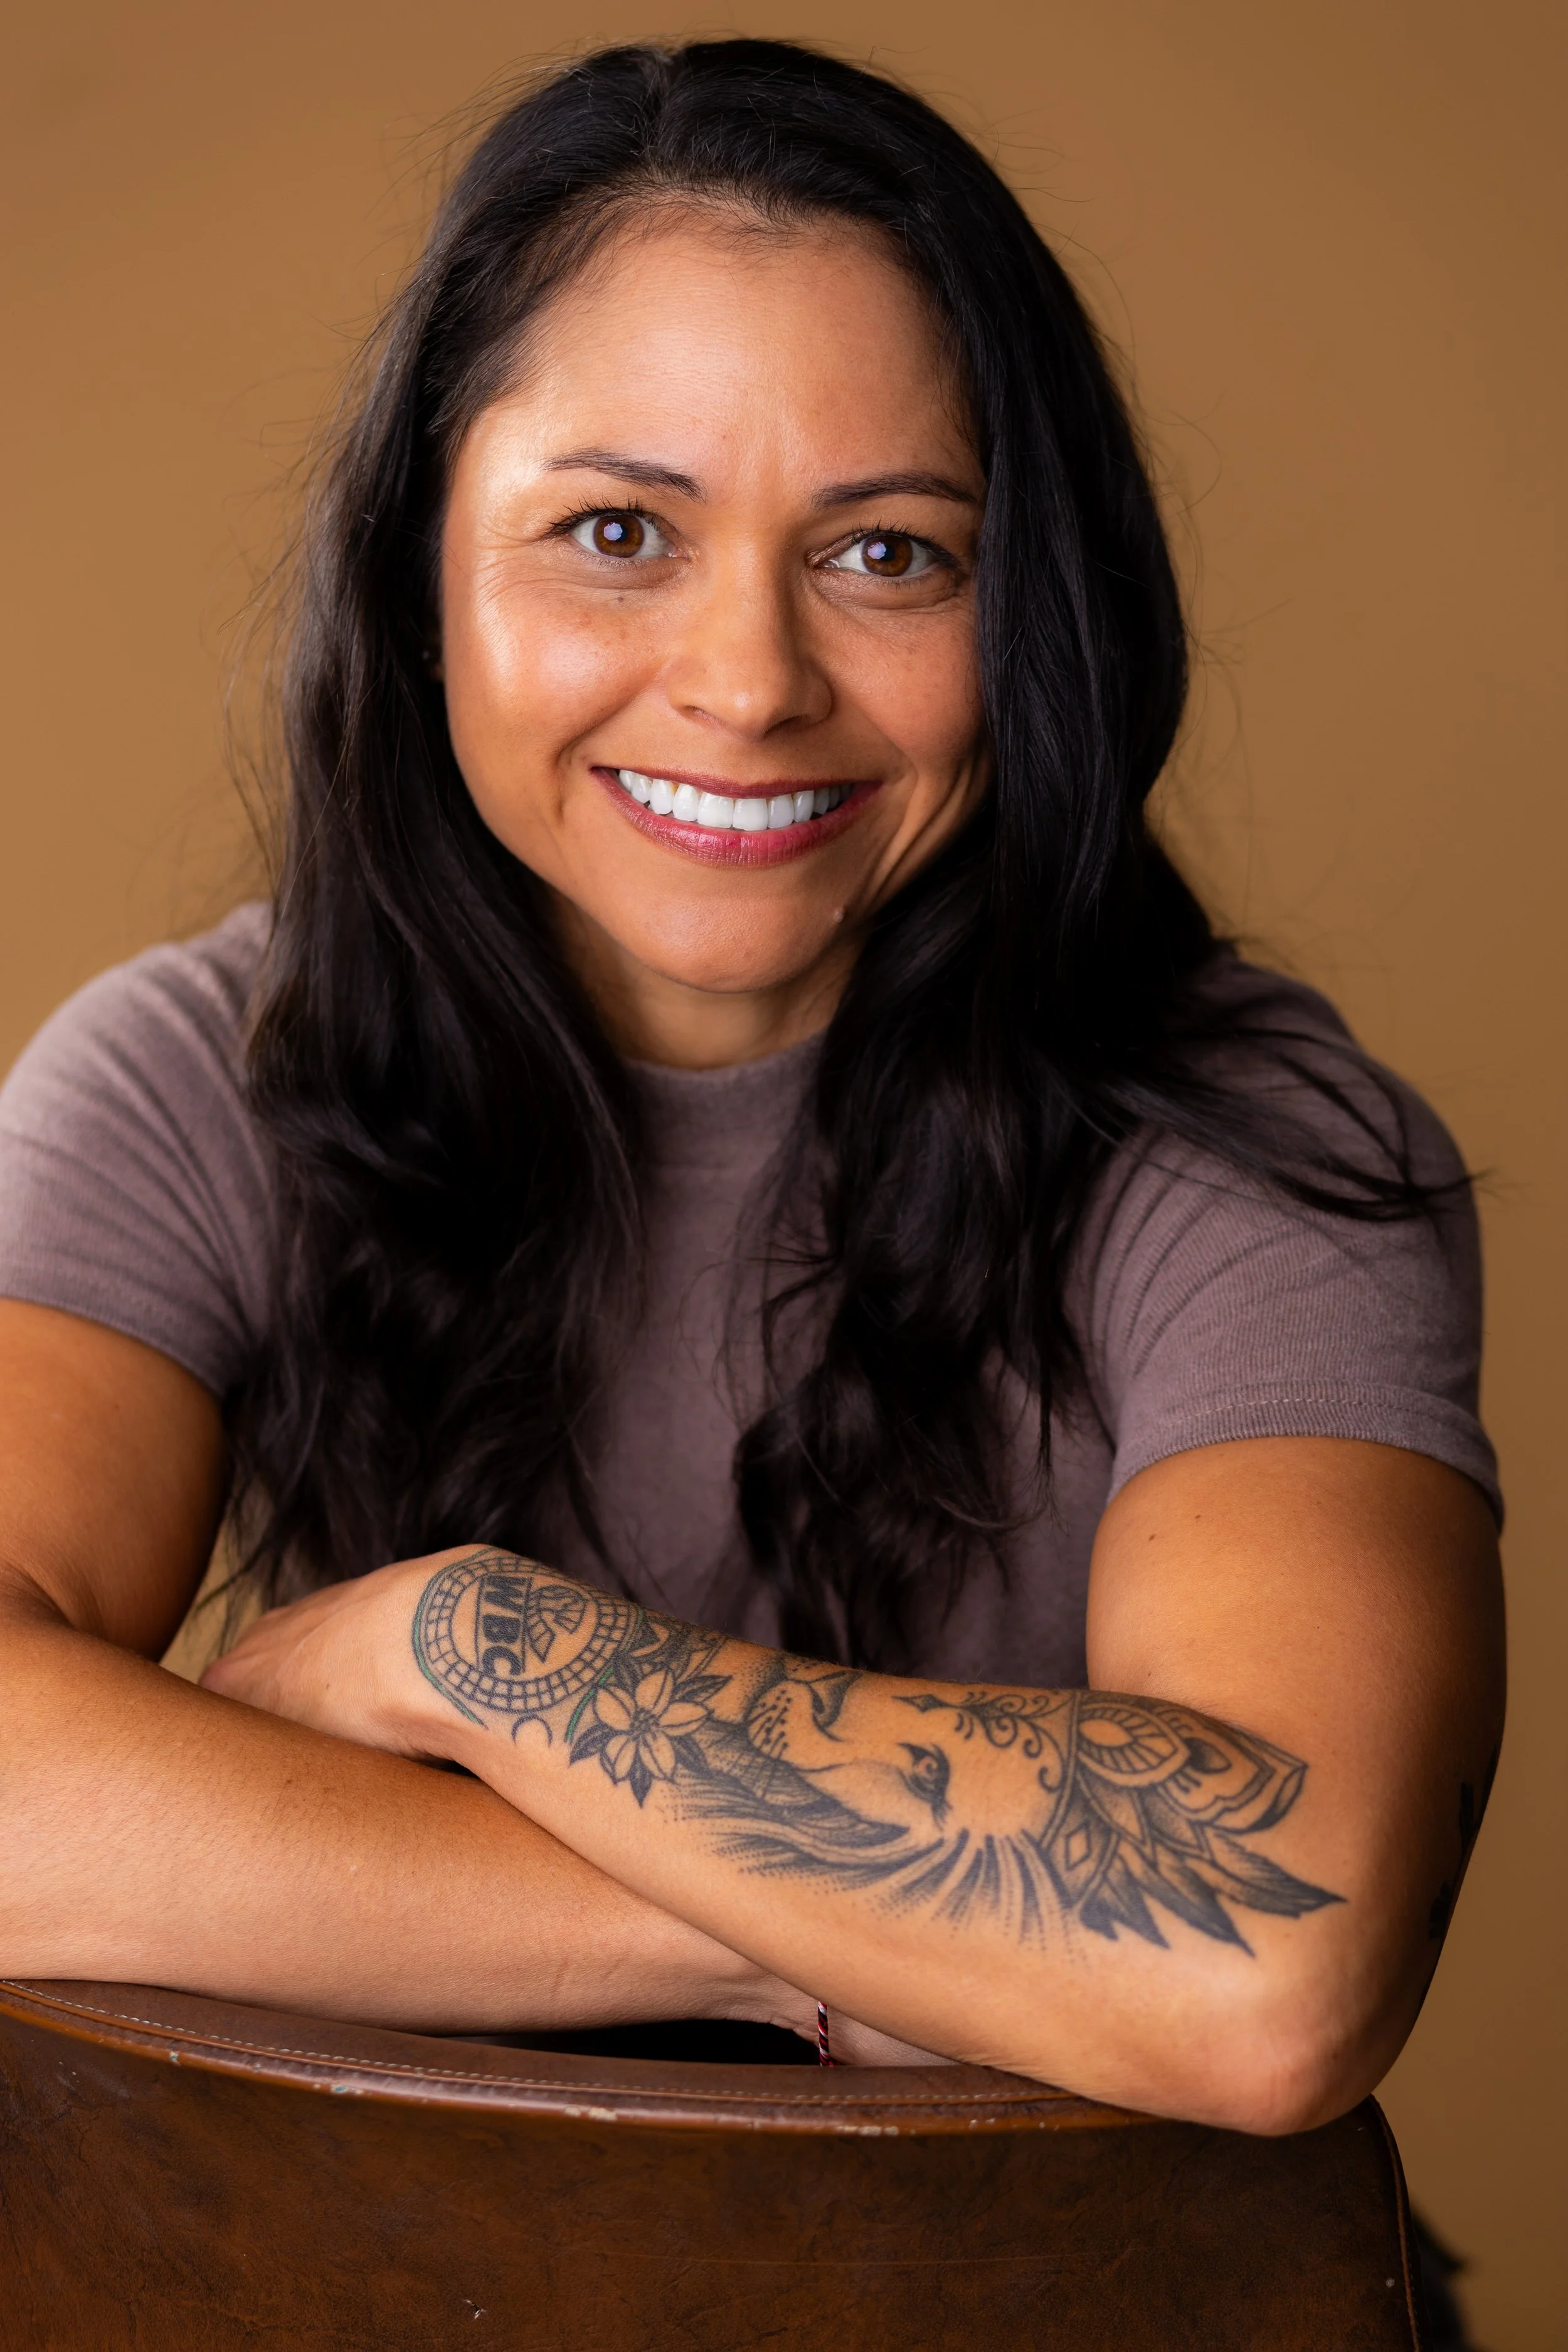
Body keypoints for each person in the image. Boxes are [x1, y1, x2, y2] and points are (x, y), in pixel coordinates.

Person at [0, 39, 1503, 2132]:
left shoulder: (1246, 1150)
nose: (746, 681)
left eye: (887, 555)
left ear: (1031, 611)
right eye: (615, 529)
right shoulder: (194, 1081)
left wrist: (463, 1649)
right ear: (420, 579)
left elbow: (1277, 1951)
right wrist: (832, 1941)